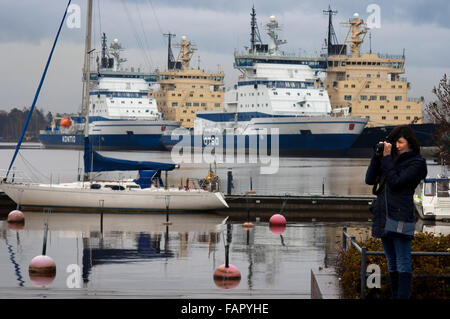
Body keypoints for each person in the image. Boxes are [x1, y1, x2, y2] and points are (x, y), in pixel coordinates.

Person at [365, 125, 427, 299]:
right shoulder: (389, 159)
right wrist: (376, 157)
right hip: (383, 215)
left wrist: (386, 159)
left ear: (410, 143)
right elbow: (369, 179)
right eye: (395, 142)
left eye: (401, 142)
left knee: (402, 262)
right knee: (391, 263)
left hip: (400, 216)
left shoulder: (417, 163)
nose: (397, 146)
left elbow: (396, 182)